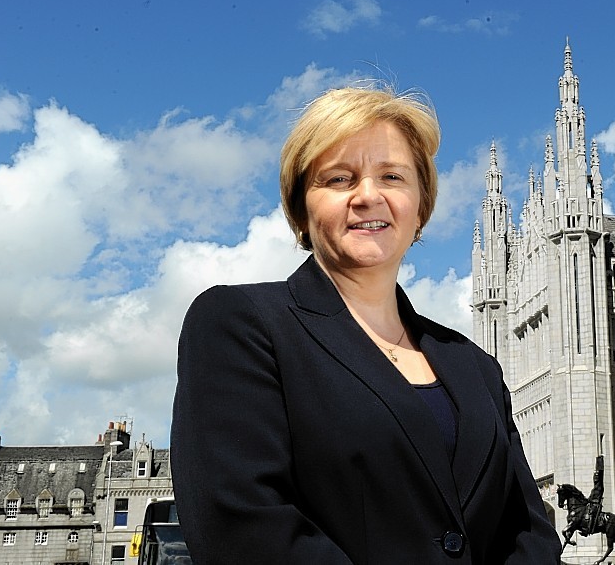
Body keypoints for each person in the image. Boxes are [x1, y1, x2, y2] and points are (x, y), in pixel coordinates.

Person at [171, 85, 562, 564]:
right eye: (339, 179)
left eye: (392, 176)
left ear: (421, 207)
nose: (368, 196)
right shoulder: (241, 325)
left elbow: (527, 530)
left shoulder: (475, 366)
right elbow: (242, 523)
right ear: (301, 209)